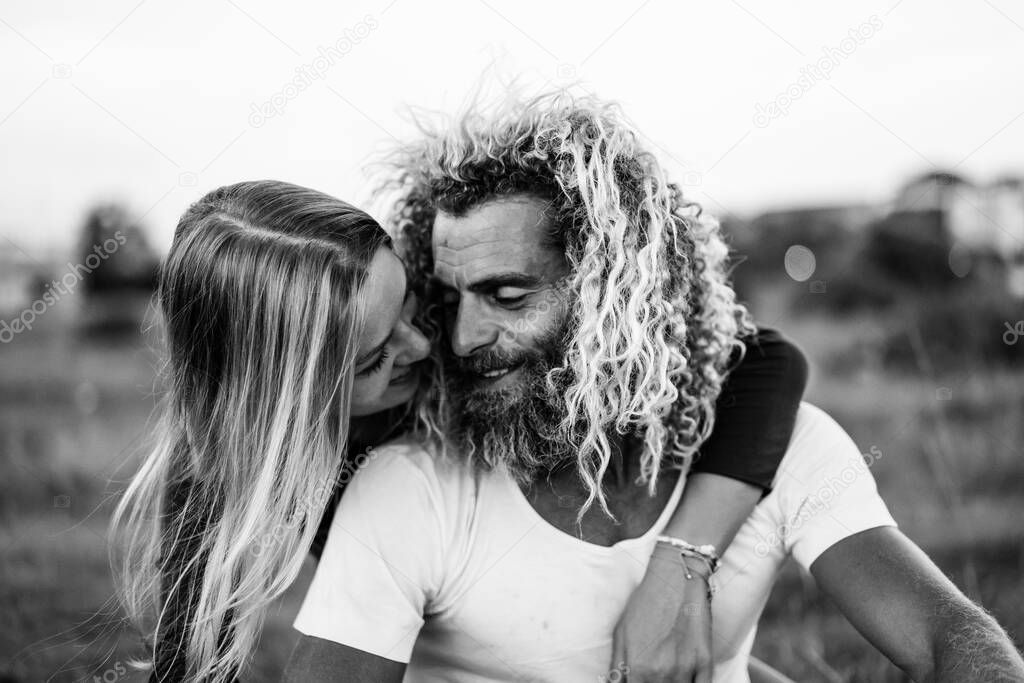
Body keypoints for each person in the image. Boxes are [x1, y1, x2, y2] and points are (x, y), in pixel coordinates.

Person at [284, 92, 1024, 682]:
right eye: (451, 300)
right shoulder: (407, 487)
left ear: (619, 298)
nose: (460, 338)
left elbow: (949, 637)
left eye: (507, 295)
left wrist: (685, 555)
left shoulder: (787, 445)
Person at [111, 179, 807, 682]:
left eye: (414, 305)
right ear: (279, 402)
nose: (423, 346)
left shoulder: (459, 343)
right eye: (373, 358)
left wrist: (681, 561)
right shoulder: (222, 478)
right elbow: (191, 666)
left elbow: (770, 360)